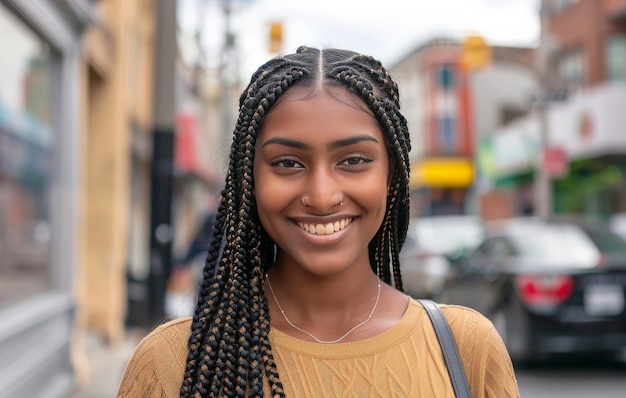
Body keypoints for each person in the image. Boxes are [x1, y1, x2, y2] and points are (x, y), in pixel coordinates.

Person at [117, 46, 519, 397]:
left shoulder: (467, 349)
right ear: (249, 180)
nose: (323, 196)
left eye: (354, 161)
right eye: (287, 163)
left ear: (391, 176)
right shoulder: (173, 363)